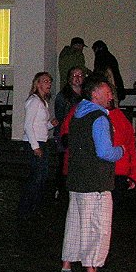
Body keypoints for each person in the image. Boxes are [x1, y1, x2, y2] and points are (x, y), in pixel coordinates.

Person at [58, 76, 124, 272]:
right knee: (97, 230)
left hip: (77, 181)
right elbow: (104, 152)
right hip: (95, 183)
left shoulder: (77, 114)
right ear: (95, 94)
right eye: (107, 92)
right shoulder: (98, 118)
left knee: (75, 227)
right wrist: (120, 151)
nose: (110, 96)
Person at [18, 72, 57, 220]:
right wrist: (35, 147)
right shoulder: (34, 101)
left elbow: (39, 125)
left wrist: (50, 124)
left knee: (40, 177)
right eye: (45, 81)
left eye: (49, 82)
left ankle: (34, 208)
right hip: (34, 143)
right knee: (36, 178)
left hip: (41, 141)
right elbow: (28, 125)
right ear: (38, 84)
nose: (49, 84)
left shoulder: (42, 102)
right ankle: (26, 209)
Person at [52, 65, 86, 197]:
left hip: (80, 134)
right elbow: (61, 117)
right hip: (66, 133)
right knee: (63, 163)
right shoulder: (63, 97)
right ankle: (60, 188)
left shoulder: (86, 95)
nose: (77, 78)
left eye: (80, 75)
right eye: (74, 75)